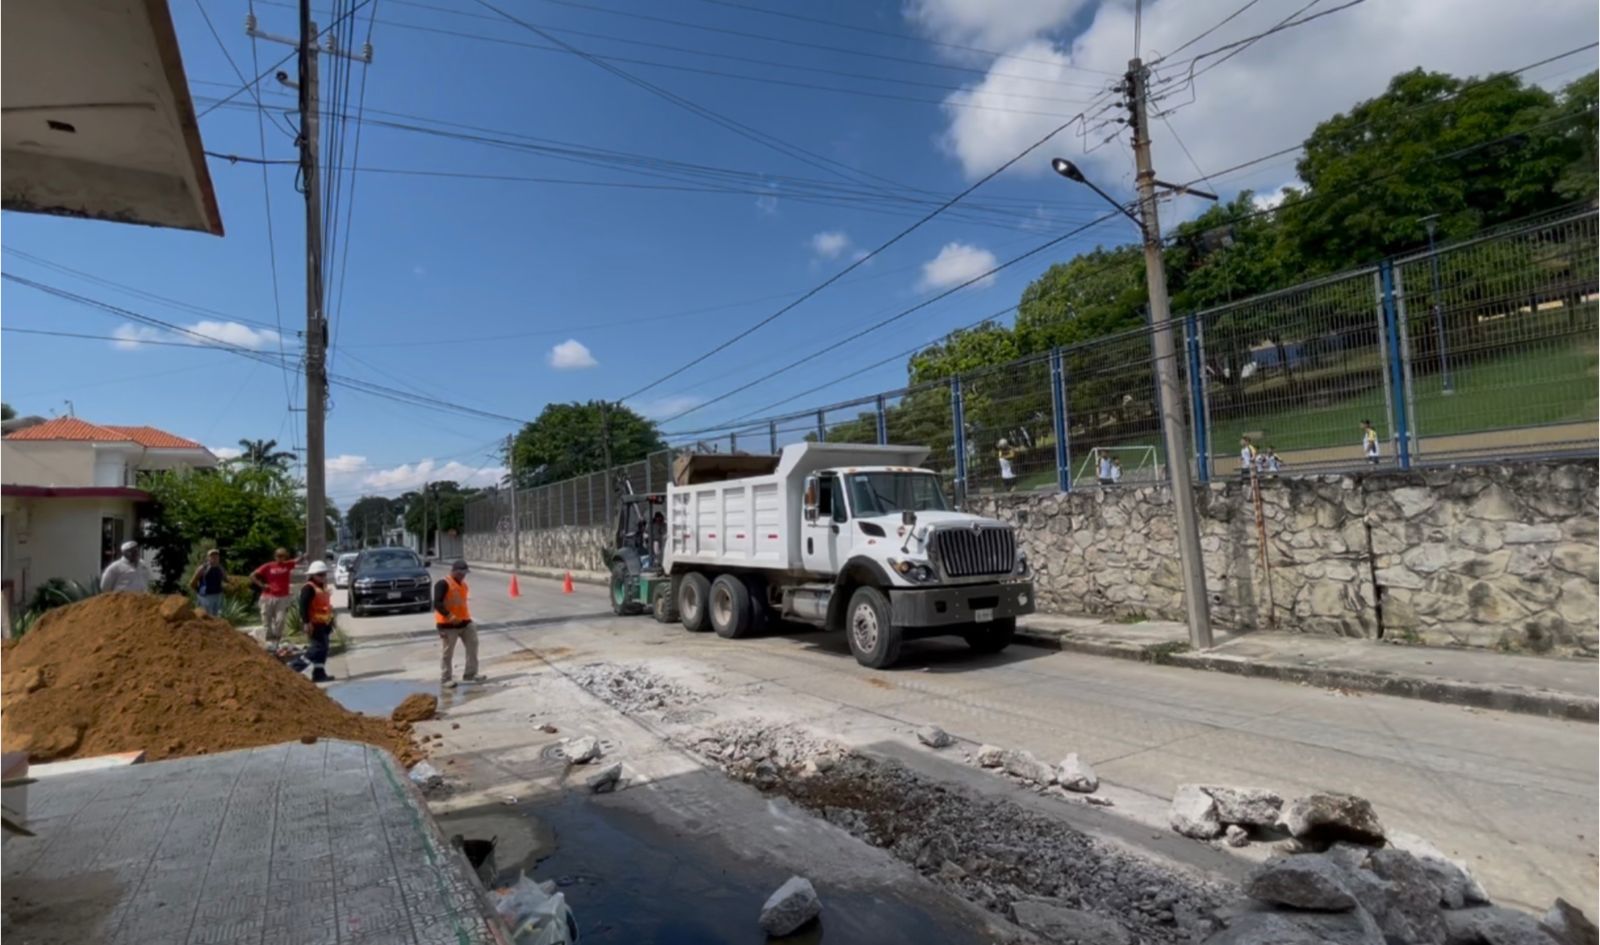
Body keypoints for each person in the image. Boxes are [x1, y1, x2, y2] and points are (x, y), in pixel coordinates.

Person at [434, 559, 485, 689]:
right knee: (448, 653)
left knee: (473, 645)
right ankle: (446, 678)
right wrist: (450, 616)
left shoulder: (463, 585)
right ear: (454, 571)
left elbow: (461, 604)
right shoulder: (443, 583)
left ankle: (470, 673)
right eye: (461, 572)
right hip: (448, 624)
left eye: (465, 573)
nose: (464, 575)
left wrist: (467, 620)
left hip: (465, 622)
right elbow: (437, 603)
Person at [298, 561, 336, 683]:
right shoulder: (309, 588)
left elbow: (326, 606)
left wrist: (331, 621)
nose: (323, 577)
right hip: (314, 624)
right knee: (316, 649)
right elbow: (303, 606)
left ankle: (319, 674)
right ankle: (293, 668)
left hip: (324, 624)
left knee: (323, 649)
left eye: (324, 574)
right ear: (313, 575)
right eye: (320, 575)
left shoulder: (322, 587)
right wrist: (306, 622)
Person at [252, 548, 297, 647]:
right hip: (268, 596)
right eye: (278, 556)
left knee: (280, 620)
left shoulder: (288, 565)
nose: (280, 558)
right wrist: (262, 585)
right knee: (266, 620)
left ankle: (277, 639)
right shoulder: (268, 566)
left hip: (282, 597)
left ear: (285, 557)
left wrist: (306, 555)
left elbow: (298, 560)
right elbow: (253, 576)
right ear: (275, 556)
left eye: (283, 556)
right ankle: (269, 641)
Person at [191, 548, 226, 616]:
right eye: (212, 556)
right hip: (206, 596)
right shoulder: (202, 568)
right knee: (207, 617)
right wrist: (199, 592)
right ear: (208, 558)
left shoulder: (220, 568)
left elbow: (225, 579)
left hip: (218, 595)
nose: (215, 558)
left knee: (217, 617)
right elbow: (192, 582)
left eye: (216, 556)